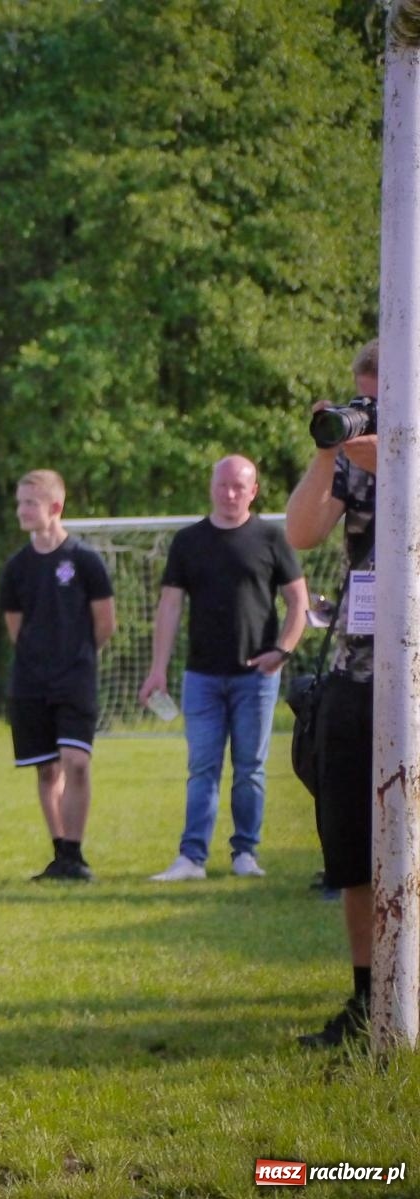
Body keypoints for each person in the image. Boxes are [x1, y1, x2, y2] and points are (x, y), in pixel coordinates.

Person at [138, 456, 309, 882]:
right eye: (223, 485)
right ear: (211, 487)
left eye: (239, 486)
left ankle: (245, 854)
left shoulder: (272, 537)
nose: (230, 494)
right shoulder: (188, 541)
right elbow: (170, 606)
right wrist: (158, 668)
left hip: (257, 677)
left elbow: (299, 602)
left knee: (250, 768)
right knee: (202, 768)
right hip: (201, 677)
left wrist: (282, 650)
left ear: (253, 491)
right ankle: (191, 858)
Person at [285, 338, 379, 1048]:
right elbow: (302, 530)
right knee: (348, 840)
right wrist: (329, 448)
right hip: (356, 670)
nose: (365, 411)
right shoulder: (353, 460)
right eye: (360, 397)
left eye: (378, 398)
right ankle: (366, 995)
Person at [0, 469, 115, 882]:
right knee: (47, 769)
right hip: (30, 682)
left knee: (76, 762)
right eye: (19, 502)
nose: (22, 510)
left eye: (30, 502)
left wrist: (76, 656)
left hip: (75, 678)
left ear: (55, 507)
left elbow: (105, 622)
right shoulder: (17, 567)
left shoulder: (84, 560)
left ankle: (76, 852)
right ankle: (61, 854)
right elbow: (16, 626)